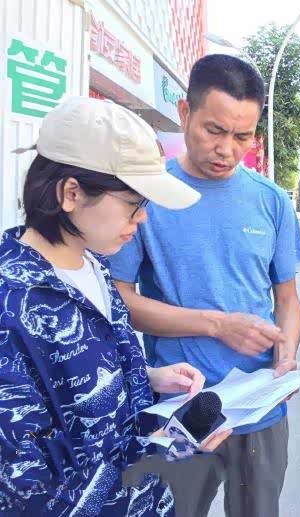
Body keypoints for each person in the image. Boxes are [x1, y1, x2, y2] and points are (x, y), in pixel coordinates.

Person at [0, 97, 231, 516]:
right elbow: (28, 490)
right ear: (71, 193)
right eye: (133, 203)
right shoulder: (11, 306)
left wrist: (149, 380)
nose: (142, 219)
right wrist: (167, 450)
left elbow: (93, 407)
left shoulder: (95, 266)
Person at [110, 54, 300, 517]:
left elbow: (287, 300)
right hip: (180, 407)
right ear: (185, 113)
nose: (226, 150)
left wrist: (286, 355)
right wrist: (218, 325)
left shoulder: (271, 201)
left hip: (259, 411)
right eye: (214, 130)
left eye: (242, 137)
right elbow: (120, 300)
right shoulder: (149, 196)